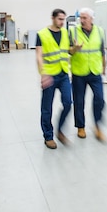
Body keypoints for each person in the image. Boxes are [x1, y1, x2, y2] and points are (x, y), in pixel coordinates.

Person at [69, 7, 107, 142]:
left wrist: (104, 67)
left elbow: (102, 51)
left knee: (99, 99)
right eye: (81, 18)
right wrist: (75, 48)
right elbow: (69, 52)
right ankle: (80, 127)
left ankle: (97, 126)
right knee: (79, 101)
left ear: (91, 19)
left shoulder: (100, 31)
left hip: (95, 71)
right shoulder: (73, 31)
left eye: (85, 18)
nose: (82, 20)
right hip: (79, 72)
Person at [36, 8, 72, 149]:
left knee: (68, 102)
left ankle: (60, 130)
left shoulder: (65, 33)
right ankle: (48, 136)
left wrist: (76, 49)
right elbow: (39, 55)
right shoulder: (42, 34)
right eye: (60, 19)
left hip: (63, 74)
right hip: (49, 75)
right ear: (53, 18)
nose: (62, 22)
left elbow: (68, 51)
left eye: (64, 19)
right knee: (47, 108)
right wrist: (43, 74)